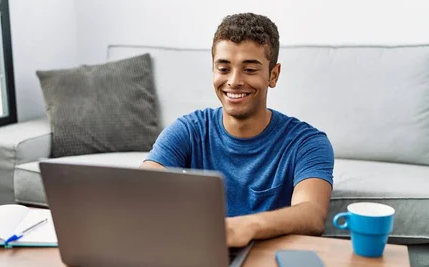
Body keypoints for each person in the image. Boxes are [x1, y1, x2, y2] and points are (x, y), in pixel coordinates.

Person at [141, 13, 334, 248]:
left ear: (273, 75)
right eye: (223, 68)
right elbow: (143, 187)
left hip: (270, 261)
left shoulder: (307, 143)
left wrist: (243, 227)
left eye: (250, 70)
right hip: (200, 252)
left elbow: (312, 214)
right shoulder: (188, 130)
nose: (233, 81)